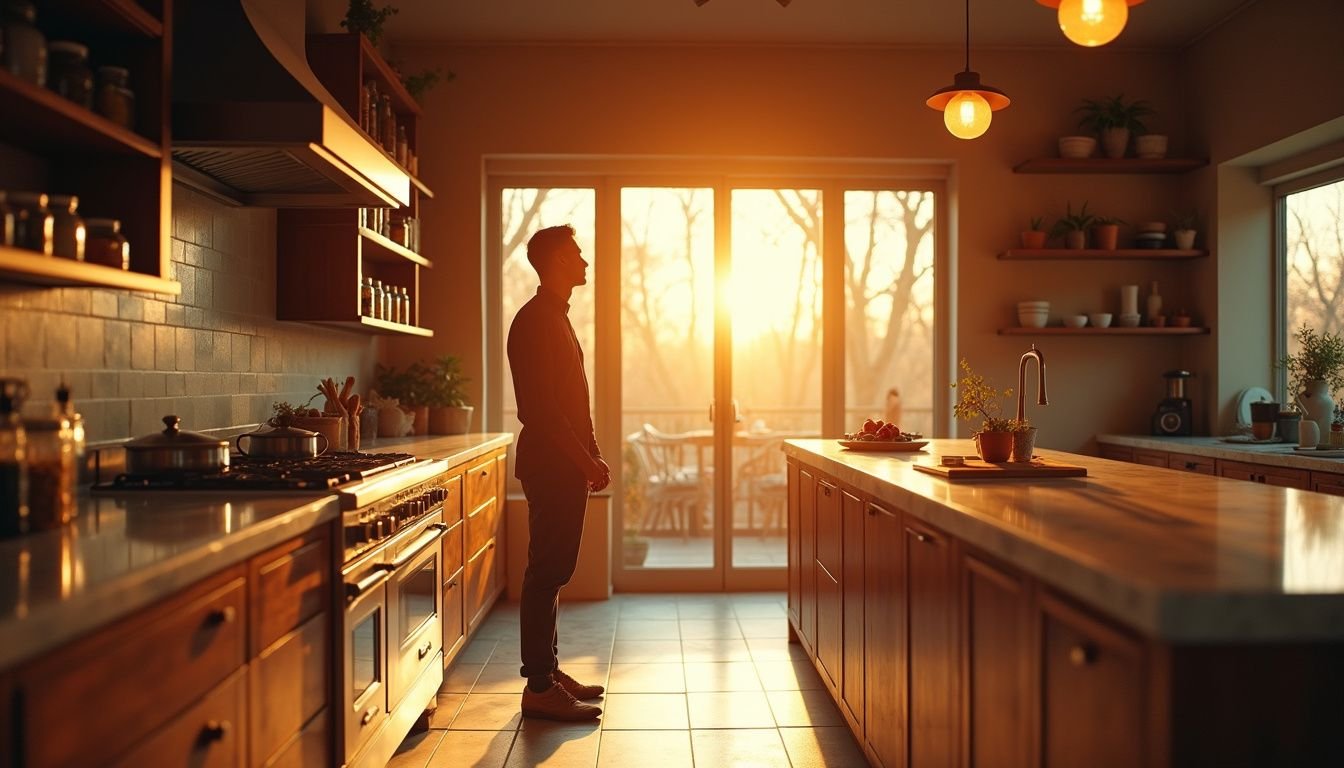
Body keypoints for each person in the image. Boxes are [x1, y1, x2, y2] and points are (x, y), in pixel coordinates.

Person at [506, 224, 611, 721]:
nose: (585, 262)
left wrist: (593, 453)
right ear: (557, 261)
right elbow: (543, 412)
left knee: (552, 571)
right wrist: (585, 460)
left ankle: (547, 671)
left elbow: (573, 401)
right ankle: (539, 686)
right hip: (551, 465)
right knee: (546, 572)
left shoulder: (555, 317)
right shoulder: (535, 321)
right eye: (577, 254)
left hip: (564, 464)